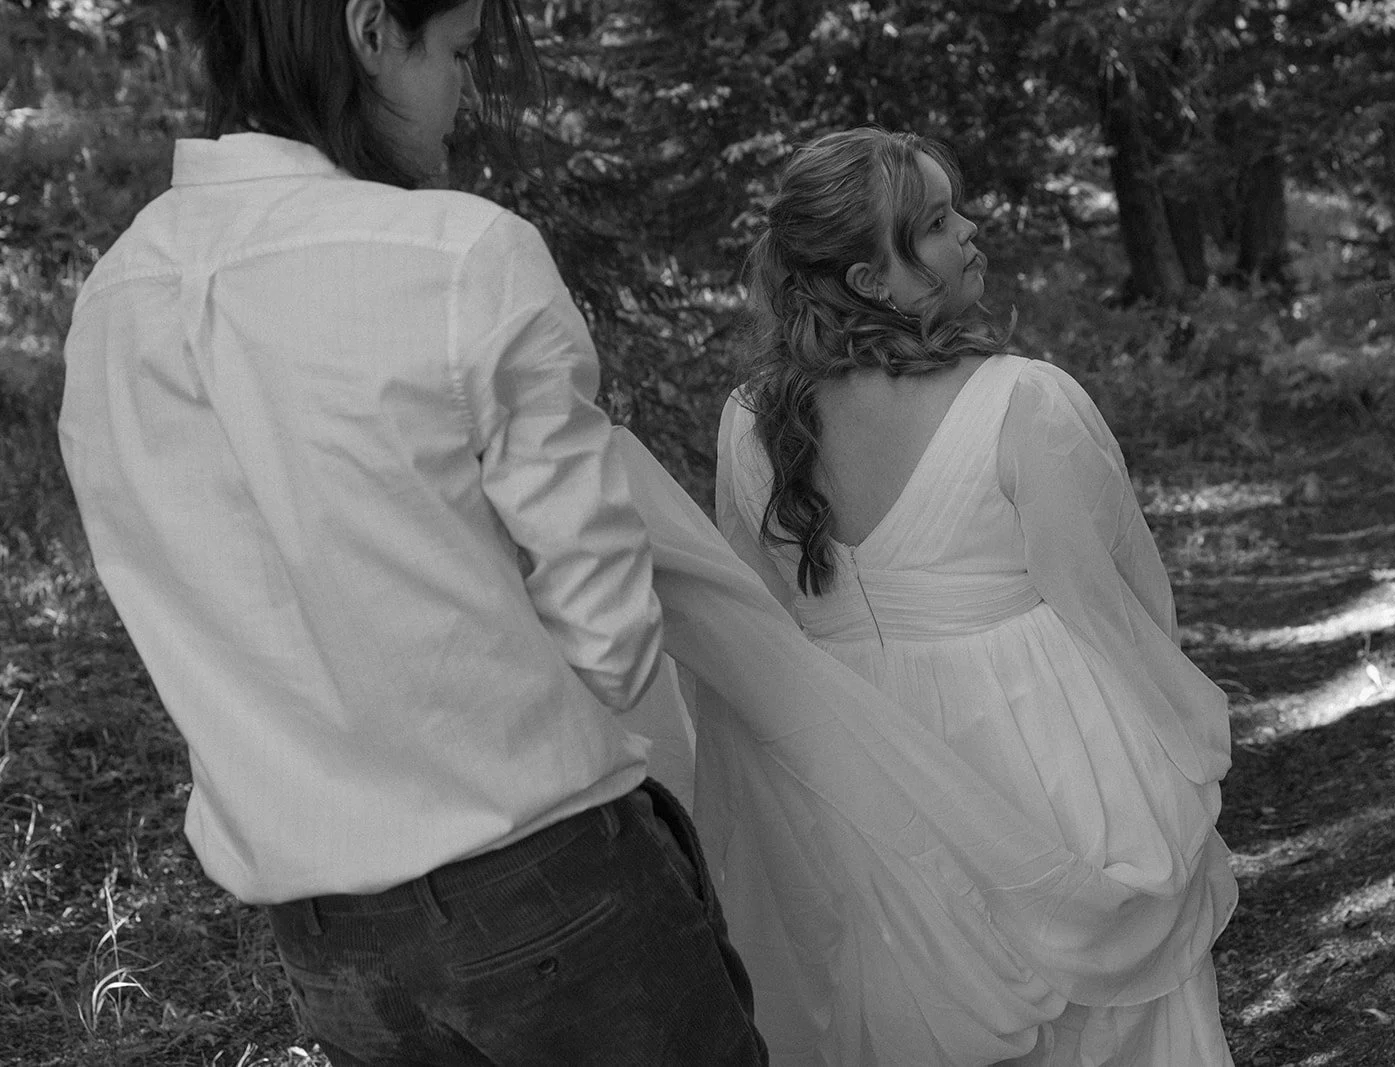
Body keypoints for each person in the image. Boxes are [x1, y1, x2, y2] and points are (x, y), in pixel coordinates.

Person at [56, 1, 767, 1063]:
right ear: (371, 31)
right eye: (461, 50)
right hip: (550, 893)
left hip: (329, 942)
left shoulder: (112, 299)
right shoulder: (459, 256)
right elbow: (611, 633)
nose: (469, 93)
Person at [709, 127, 1238, 1064]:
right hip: (1043, 767)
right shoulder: (1024, 401)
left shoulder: (749, 425)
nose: (971, 228)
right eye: (939, 222)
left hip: (852, 788)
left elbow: (761, 632)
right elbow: (1113, 603)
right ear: (875, 281)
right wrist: (1172, 733)